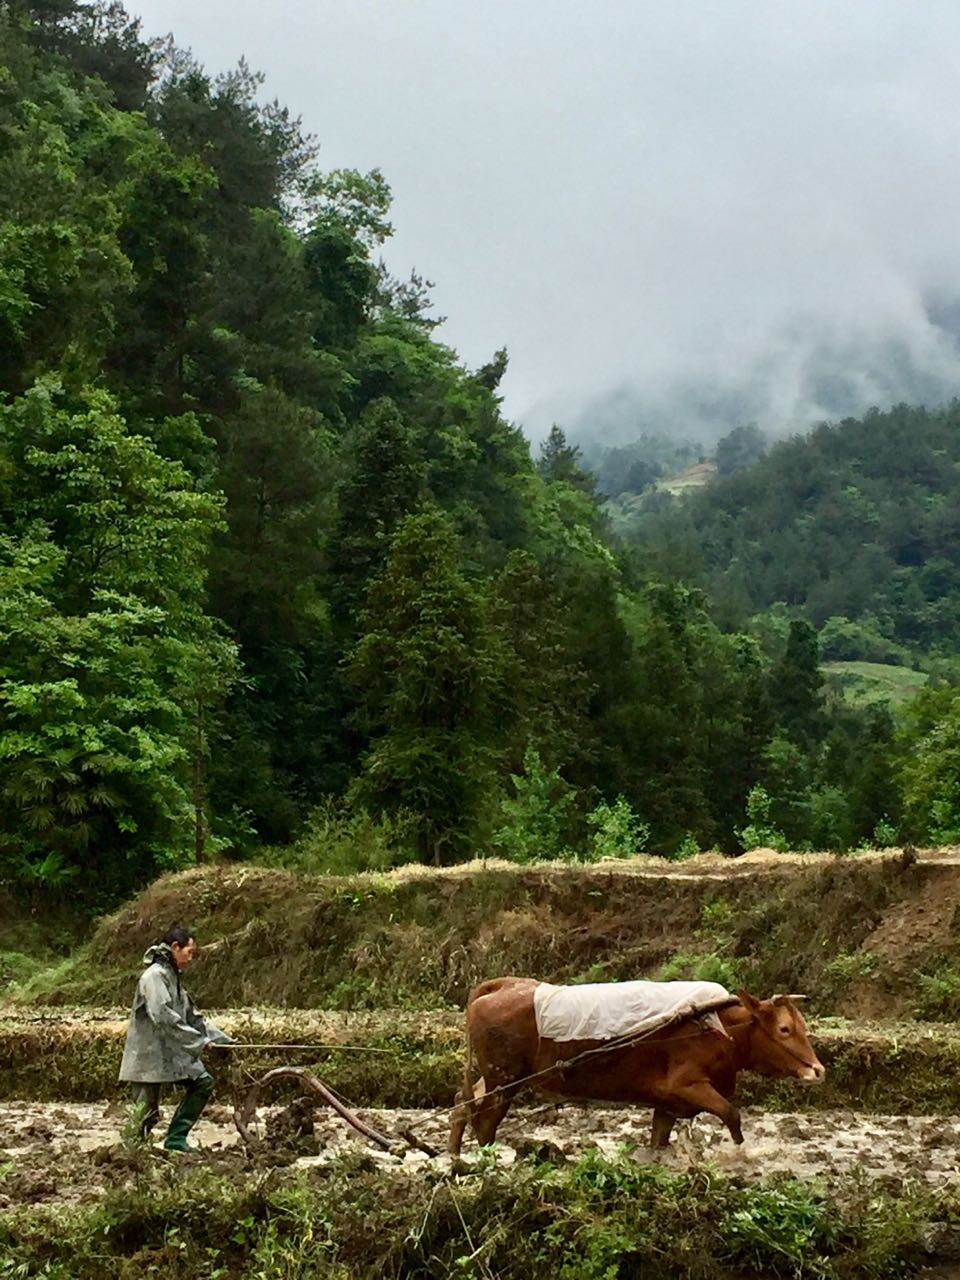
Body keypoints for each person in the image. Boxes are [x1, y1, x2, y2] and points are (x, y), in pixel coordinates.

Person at [118, 923, 232, 1153]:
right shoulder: (154, 977)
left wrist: (222, 1040)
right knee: (145, 1114)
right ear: (175, 947)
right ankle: (128, 1157)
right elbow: (162, 1015)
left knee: (202, 1082)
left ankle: (175, 1138)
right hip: (148, 1053)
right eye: (189, 952)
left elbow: (193, 1017)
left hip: (172, 1051)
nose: (191, 958)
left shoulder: (173, 978)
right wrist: (199, 1042)